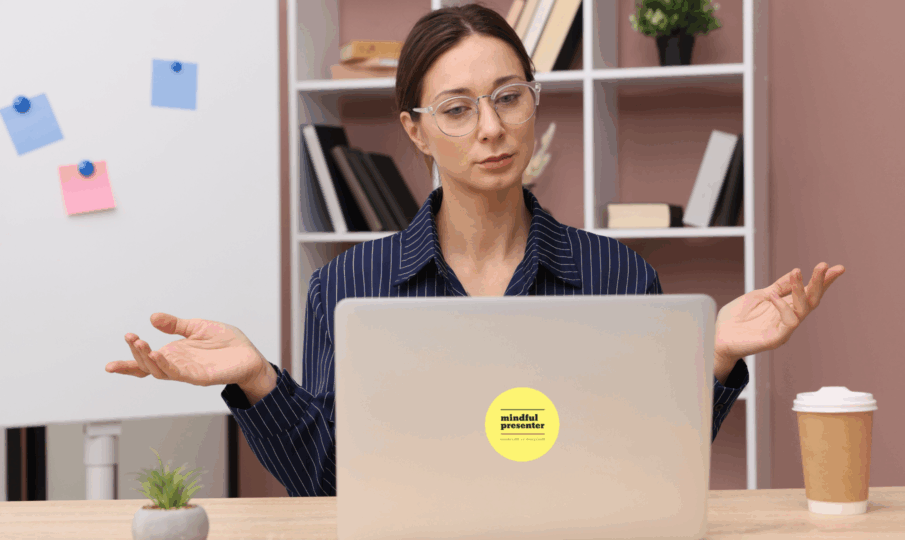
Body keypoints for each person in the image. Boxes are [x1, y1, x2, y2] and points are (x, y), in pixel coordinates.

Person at [105, 4, 845, 497]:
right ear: (417, 131)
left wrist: (714, 358)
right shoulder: (347, 287)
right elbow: (331, 484)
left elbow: (652, 465)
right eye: (457, 109)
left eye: (509, 96)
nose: (491, 129)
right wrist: (261, 378)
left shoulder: (619, 275)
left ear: (534, 102)